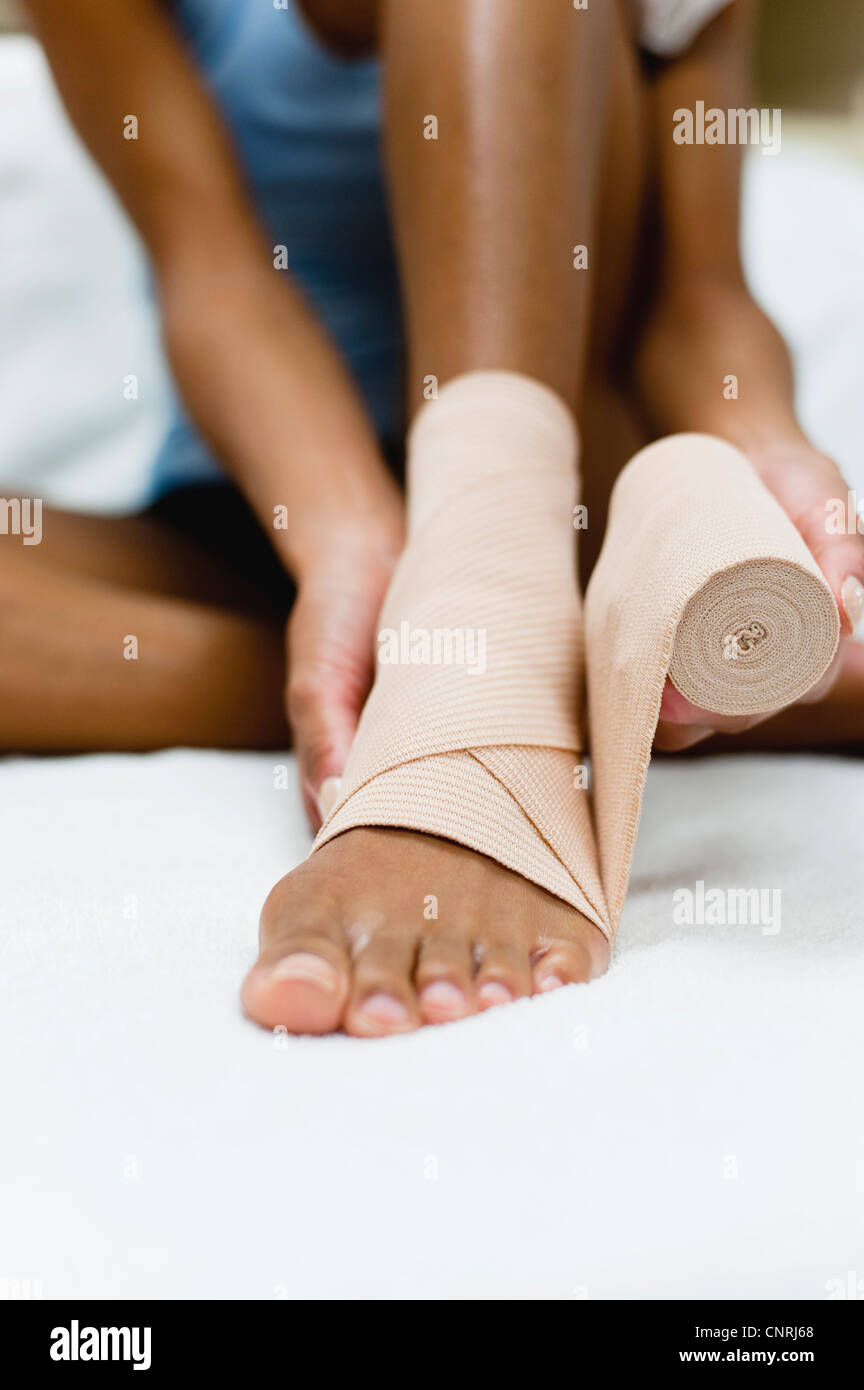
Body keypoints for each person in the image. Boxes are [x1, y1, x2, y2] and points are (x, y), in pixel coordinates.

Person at [8, 0, 864, 1036]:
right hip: (286, 528)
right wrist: (349, 543)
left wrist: (765, 441)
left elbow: (701, 303)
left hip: (564, 502)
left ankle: (494, 617)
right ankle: (516, 691)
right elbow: (215, 273)